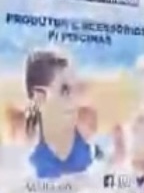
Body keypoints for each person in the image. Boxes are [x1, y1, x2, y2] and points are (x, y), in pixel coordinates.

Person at [23, 49, 102, 178]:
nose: (74, 99)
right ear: (39, 96)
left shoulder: (92, 144)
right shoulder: (29, 163)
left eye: (76, 88)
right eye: (65, 90)